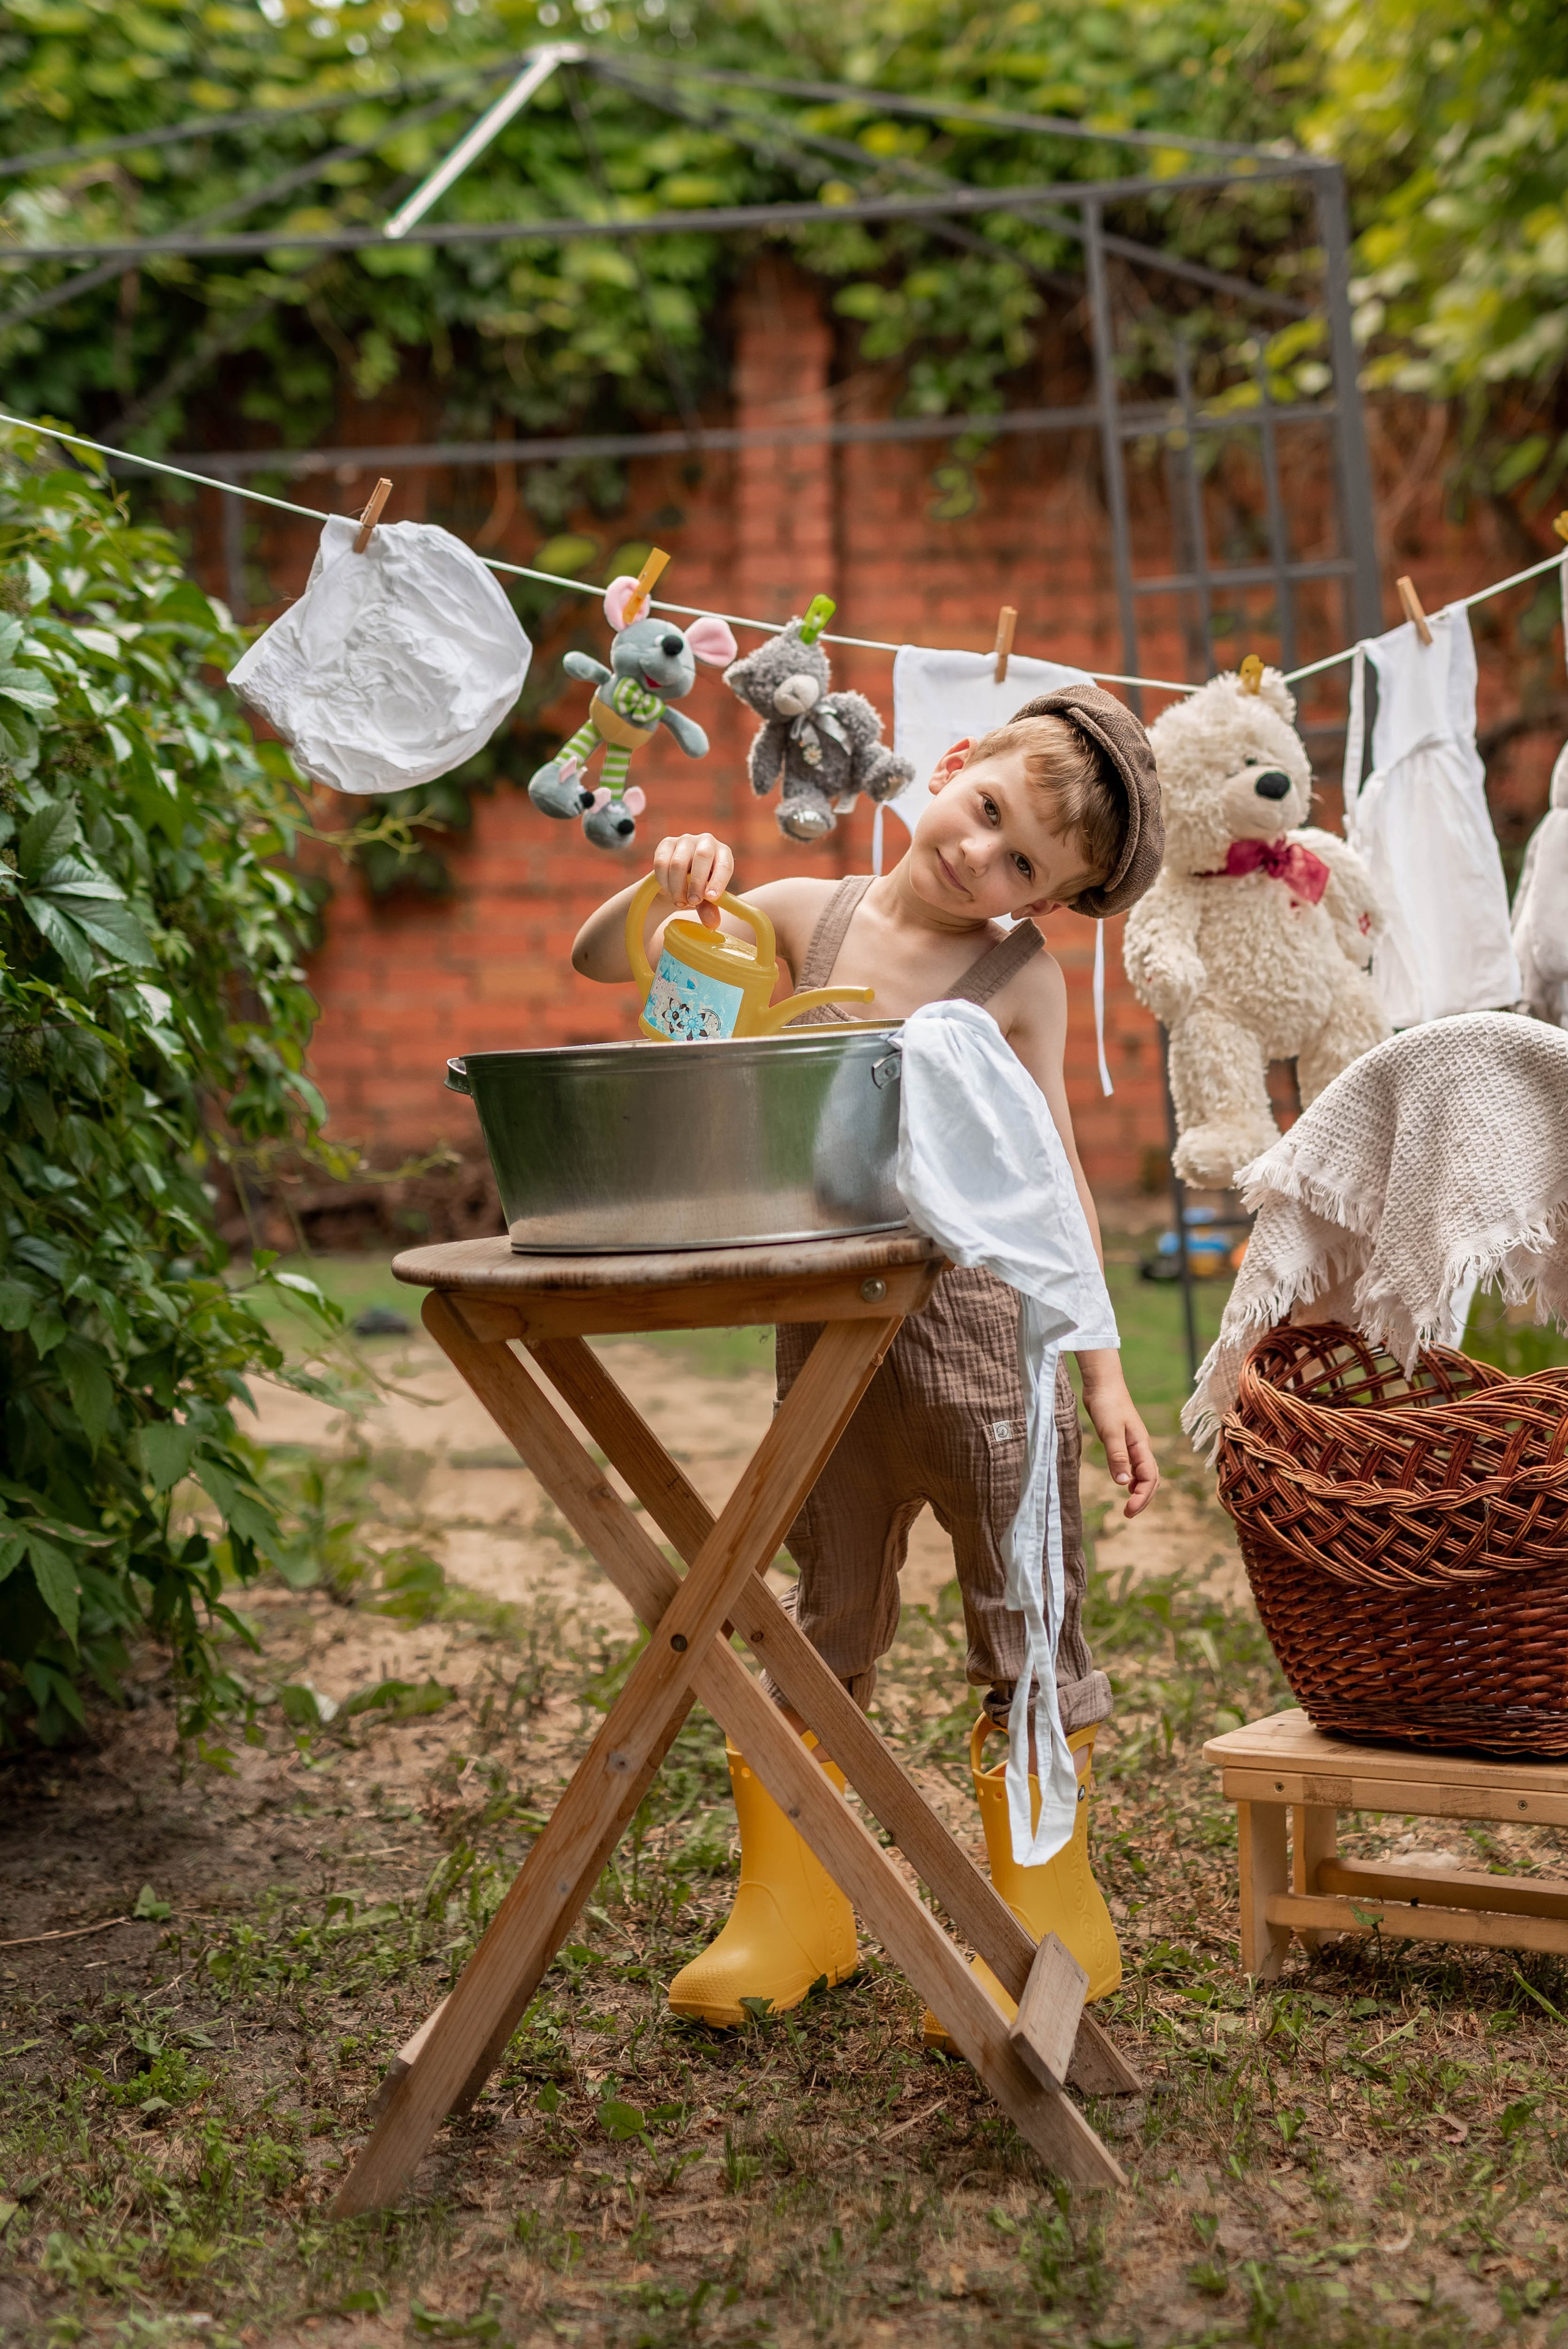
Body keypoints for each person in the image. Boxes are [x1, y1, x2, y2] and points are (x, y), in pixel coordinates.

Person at [571, 684, 1164, 2037]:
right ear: (950, 766)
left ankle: (1050, 1911)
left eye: (1023, 867)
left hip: (983, 1350)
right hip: (829, 1340)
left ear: (1044, 903)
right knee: (817, 1615)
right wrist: (669, 884)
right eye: (987, 813)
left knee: (1021, 1611)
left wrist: (1105, 1369)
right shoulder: (799, 914)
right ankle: (796, 1909)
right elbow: (603, 964)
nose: (979, 858)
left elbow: (1050, 1169)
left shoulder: (1014, 981)